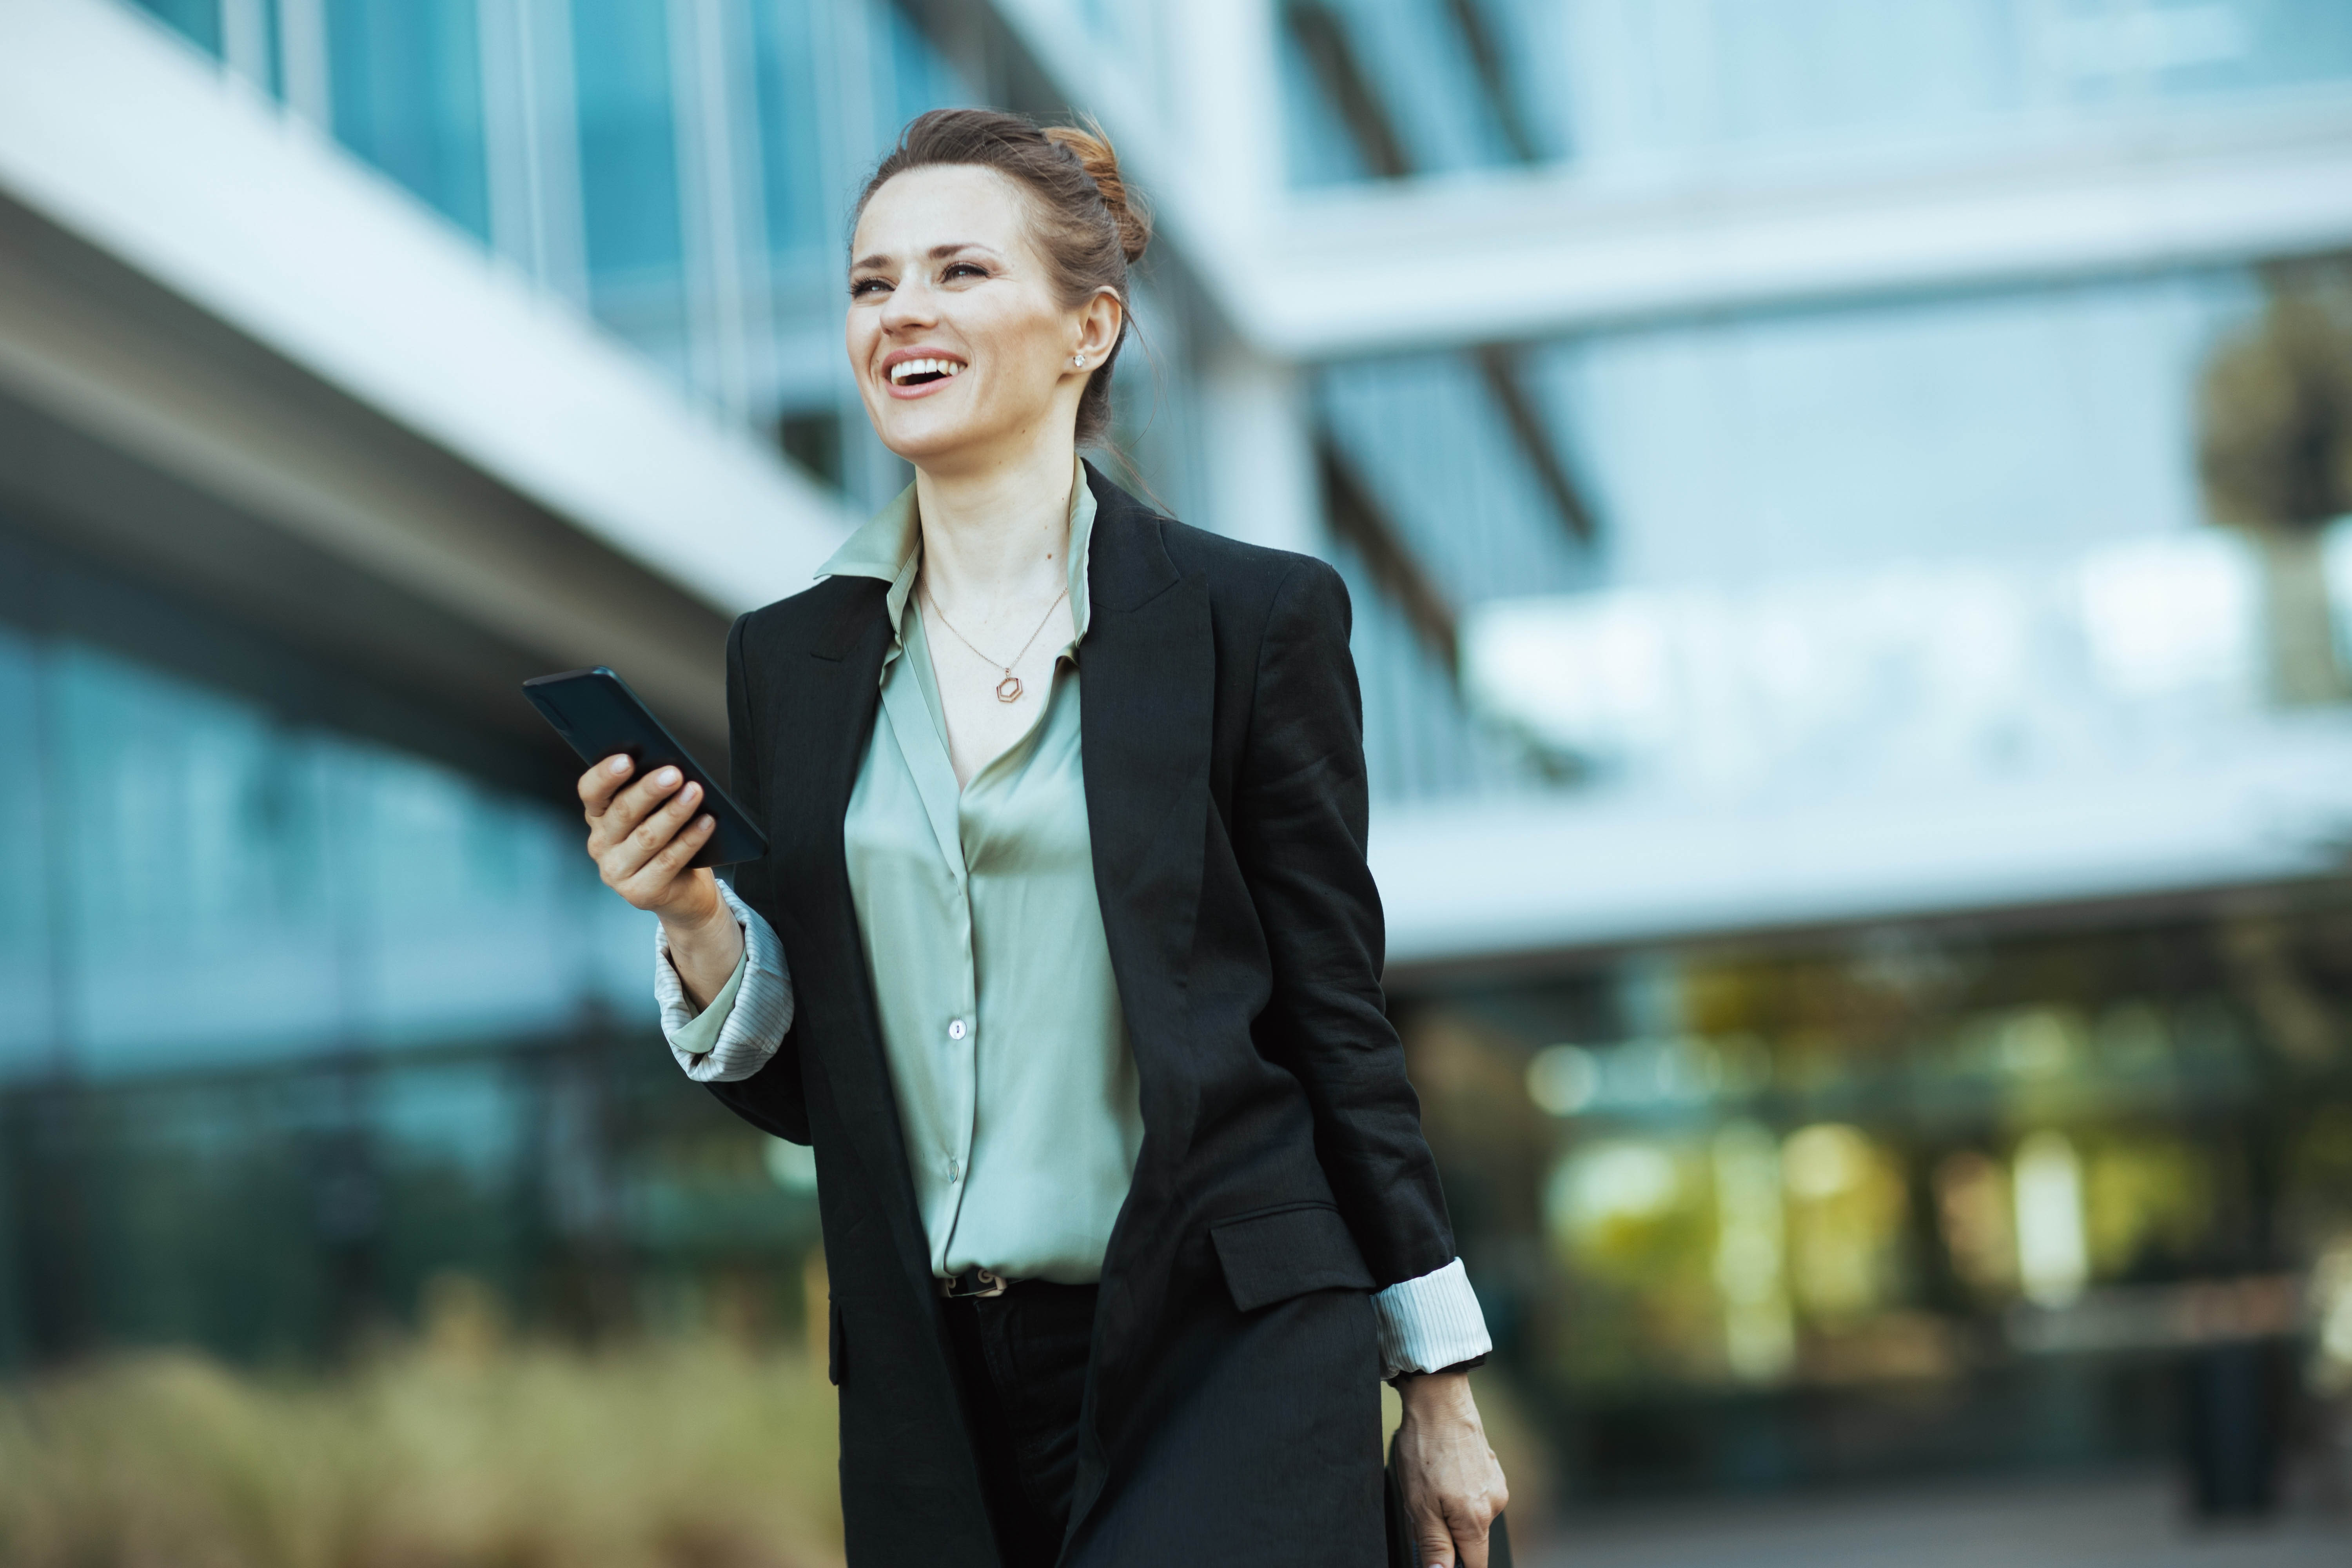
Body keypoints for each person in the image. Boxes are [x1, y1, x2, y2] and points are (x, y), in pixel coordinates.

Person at [575, 108, 1508, 1567]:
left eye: (958, 273)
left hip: (1230, 1349)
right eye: (873, 283)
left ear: (1089, 328)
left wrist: (1438, 1388)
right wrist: (697, 924)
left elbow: (1337, 1019)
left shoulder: (1252, 619)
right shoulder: (793, 659)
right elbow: (838, 1095)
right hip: (928, 1384)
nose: (904, 315)